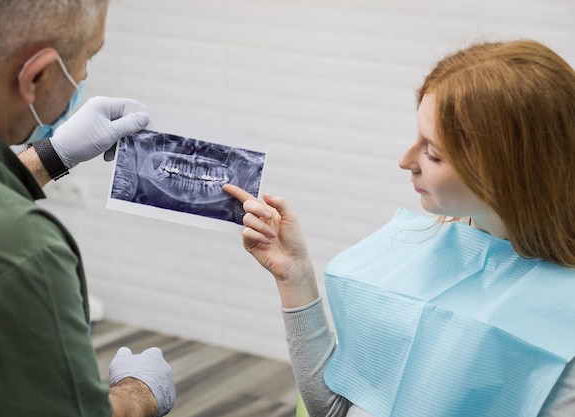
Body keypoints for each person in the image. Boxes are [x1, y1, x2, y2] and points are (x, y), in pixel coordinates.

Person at [223, 39, 575, 417]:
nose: (406, 160)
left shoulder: (562, 337)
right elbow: (333, 409)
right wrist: (294, 276)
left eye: (433, 152)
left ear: (507, 169)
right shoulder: (412, 256)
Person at [0, 1, 175, 416]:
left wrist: (48, 157)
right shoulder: (22, 250)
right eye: (87, 57)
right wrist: (139, 394)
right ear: (36, 75)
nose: (85, 76)